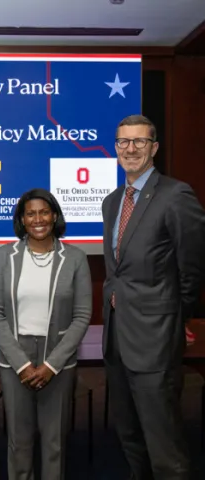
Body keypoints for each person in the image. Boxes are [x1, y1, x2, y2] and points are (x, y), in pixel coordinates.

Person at [102, 114, 205, 479]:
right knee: (129, 436)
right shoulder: (113, 201)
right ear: (115, 148)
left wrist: (175, 319)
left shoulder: (176, 195)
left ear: (154, 147)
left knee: (165, 445)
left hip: (156, 340)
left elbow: (193, 267)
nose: (130, 149)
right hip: (117, 338)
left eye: (139, 142)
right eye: (123, 142)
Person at [0, 188, 92, 480]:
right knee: (19, 442)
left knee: (54, 442)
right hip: (14, 358)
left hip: (58, 359)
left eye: (44, 212)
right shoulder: (5, 255)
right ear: (22, 219)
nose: (38, 219)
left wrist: (51, 365)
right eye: (30, 213)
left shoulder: (75, 258)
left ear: (54, 215)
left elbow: (82, 316)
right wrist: (21, 364)